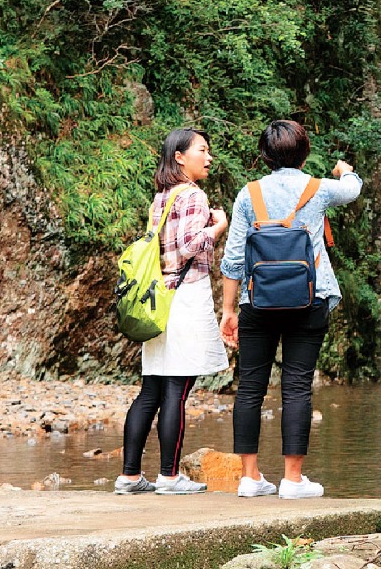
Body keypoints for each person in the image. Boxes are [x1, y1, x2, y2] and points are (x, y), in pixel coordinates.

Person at [219, 119, 362, 499]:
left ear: (264, 155)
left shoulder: (249, 194)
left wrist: (228, 309)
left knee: (249, 387)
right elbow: (353, 189)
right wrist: (346, 170)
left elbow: (233, 259)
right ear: (304, 153)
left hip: (257, 300)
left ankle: (249, 478)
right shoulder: (318, 189)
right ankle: (293, 481)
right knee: (297, 386)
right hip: (308, 297)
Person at [115, 127, 230, 495]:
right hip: (184, 297)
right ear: (179, 157)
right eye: (203, 151)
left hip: (159, 299)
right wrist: (219, 227)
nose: (209, 158)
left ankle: (129, 476)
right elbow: (187, 247)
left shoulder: (161, 197)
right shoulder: (193, 195)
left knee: (151, 389)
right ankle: (168, 477)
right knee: (177, 391)